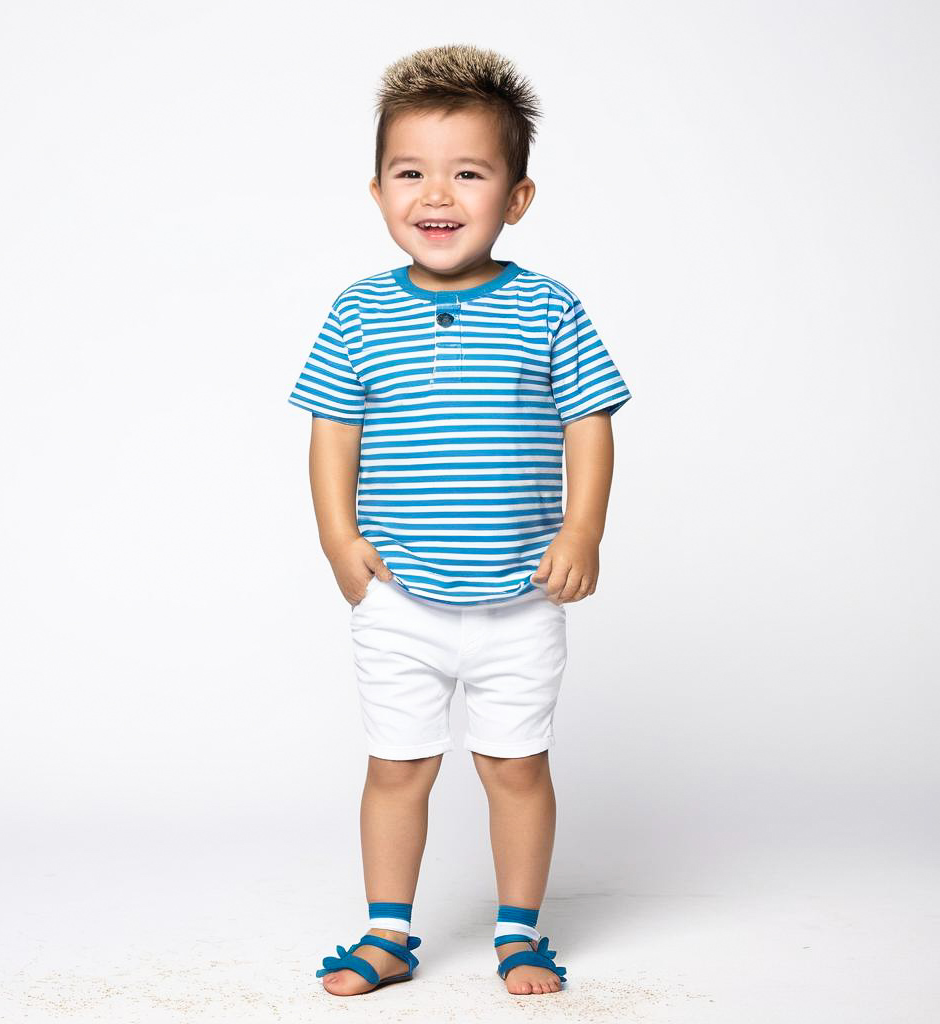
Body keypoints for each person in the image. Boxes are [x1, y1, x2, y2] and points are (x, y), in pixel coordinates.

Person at [287, 43, 632, 998]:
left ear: (516, 197)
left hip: (521, 598)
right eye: (412, 172)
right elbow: (331, 433)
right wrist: (339, 541)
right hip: (398, 595)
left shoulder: (548, 308)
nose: (436, 194)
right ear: (377, 190)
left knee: (514, 767)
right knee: (397, 767)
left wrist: (581, 531)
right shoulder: (357, 314)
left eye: (468, 173)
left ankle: (519, 931)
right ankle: (388, 933)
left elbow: (589, 422)